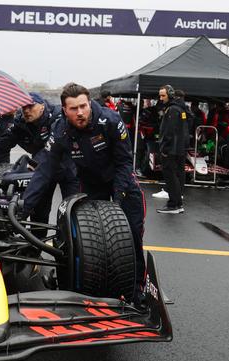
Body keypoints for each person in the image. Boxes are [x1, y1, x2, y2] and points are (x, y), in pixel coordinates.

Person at [23, 82, 146, 299]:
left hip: (123, 182)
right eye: (73, 108)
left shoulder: (110, 120)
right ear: (64, 110)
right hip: (91, 184)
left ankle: (136, 290)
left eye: (83, 106)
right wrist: (25, 206)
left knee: (130, 236)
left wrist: (116, 202)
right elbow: (45, 170)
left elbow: (125, 163)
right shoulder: (60, 131)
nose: (80, 113)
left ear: (89, 103)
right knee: (90, 240)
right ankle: (95, 285)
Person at [0, 92, 61, 233]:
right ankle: (34, 247)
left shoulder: (57, 117)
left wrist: (33, 164)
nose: (26, 110)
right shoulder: (20, 121)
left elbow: (51, 148)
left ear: (42, 106)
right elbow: (4, 141)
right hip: (39, 169)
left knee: (71, 211)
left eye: (30, 106)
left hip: (65, 169)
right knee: (38, 212)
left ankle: (71, 245)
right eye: (24, 107)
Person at [157, 85, 187, 214]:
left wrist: (164, 147)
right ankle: (177, 203)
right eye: (160, 95)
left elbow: (169, 131)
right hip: (179, 148)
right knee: (175, 175)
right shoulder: (180, 109)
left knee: (170, 176)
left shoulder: (173, 110)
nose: (161, 98)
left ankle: (174, 204)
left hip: (172, 149)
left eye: (163, 95)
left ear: (169, 95)